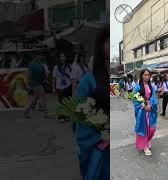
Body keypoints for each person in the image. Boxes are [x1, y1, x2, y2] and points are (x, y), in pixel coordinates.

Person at [74, 25, 109, 180]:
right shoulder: (89, 80)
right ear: (101, 46)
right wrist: (103, 135)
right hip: (100, 147)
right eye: (108, 41)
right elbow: (80, 115)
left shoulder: (121, 80)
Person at [133, 69, 157, 156]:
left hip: (150, 109)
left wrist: (151, 106)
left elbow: (154, 98)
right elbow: (135, 99)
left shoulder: (151, 86)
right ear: (142, 76)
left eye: (148, 75)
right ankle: (145, 146)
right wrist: (143, 106)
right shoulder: (137, 87)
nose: (147, 76)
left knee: (152, 128)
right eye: (145, 75)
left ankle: (147, 141)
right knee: (144, 128)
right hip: (142, 110)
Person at [52, 52, 72, 121]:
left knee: (67, 102)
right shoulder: (56, 67)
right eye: (61, 56)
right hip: (59, 87)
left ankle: (67, 115)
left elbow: (72, 77)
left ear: (66, 57)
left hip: (68, 86)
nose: (62, 58)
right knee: (61, 102)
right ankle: (61, 116)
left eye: (63, 56)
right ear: (59, 58)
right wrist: (53, 88)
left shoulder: (69, 66)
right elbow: (54, 78)